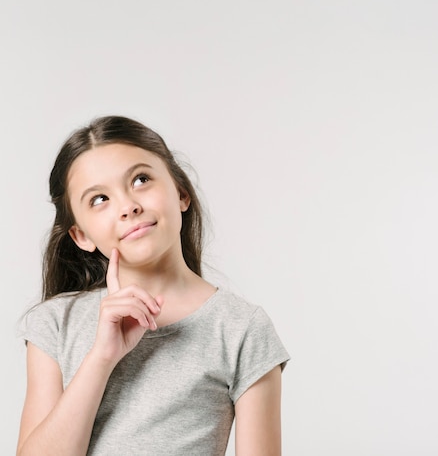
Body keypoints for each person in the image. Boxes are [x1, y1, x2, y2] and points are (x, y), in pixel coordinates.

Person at [16, 115, 289, 456]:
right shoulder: (55, 323)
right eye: (99, 199)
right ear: (81, 235)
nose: (128, 206)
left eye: (141, 179)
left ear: (181, 193)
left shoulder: (241, 328)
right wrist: (101, 357)